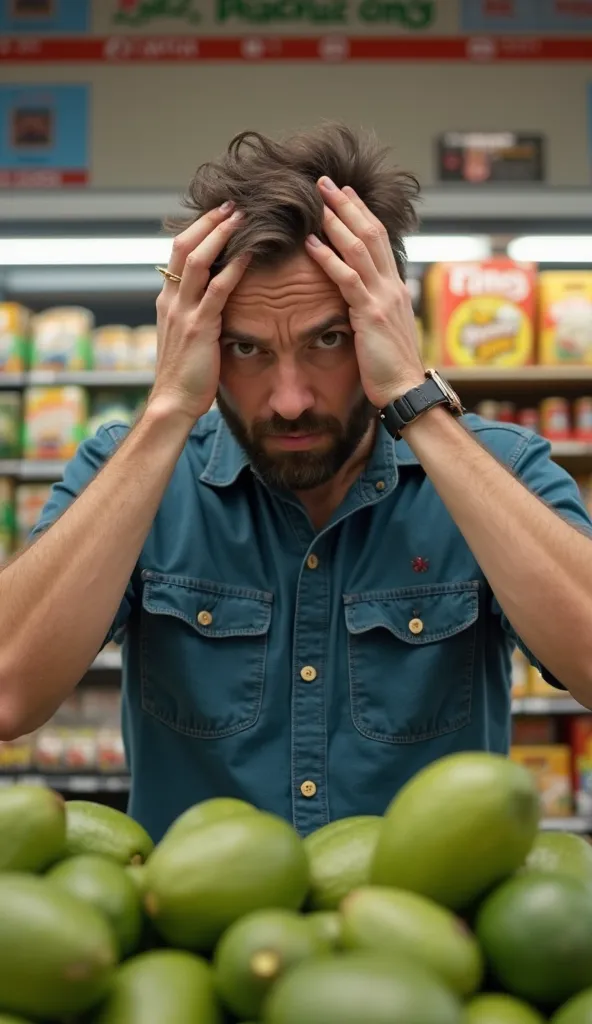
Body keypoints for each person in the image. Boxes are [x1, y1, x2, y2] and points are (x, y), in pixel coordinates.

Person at [1, 123, 592, 843]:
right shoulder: (128, 472)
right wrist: (166, 409)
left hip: (431, 945)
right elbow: (9, 695)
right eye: (246, 349)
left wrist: (412, 396)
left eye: (328, 340)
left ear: (384, 321)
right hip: (202, 939)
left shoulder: (503, 471)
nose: (288, 399)